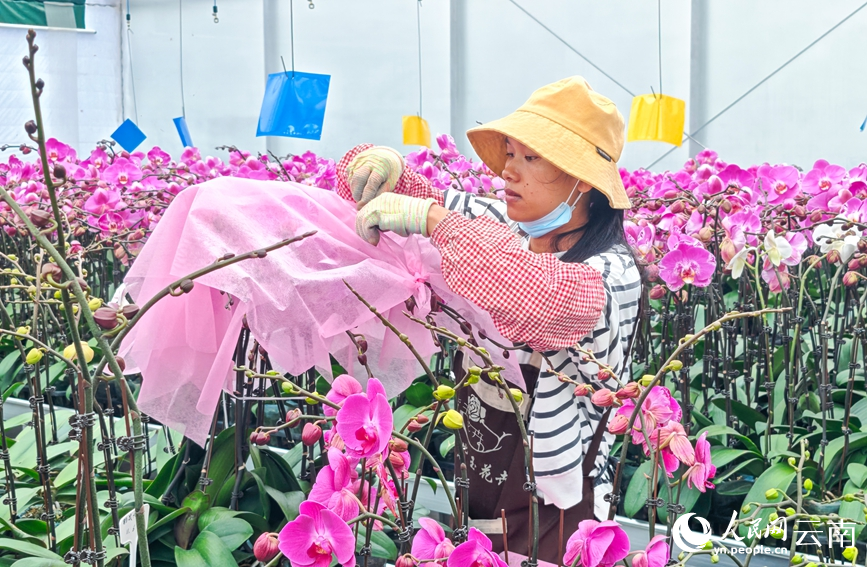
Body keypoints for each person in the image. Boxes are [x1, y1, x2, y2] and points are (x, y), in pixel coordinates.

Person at [335, 76, 641, 564]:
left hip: (555, 511)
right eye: (510, 154)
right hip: (475, 477)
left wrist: (433, 220)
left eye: (531, 158)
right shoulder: (508, 228)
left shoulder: (613, 272)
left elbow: (544, 299)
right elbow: (418, 198)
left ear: (582, 178)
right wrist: (380, 165)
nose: (507, 172)